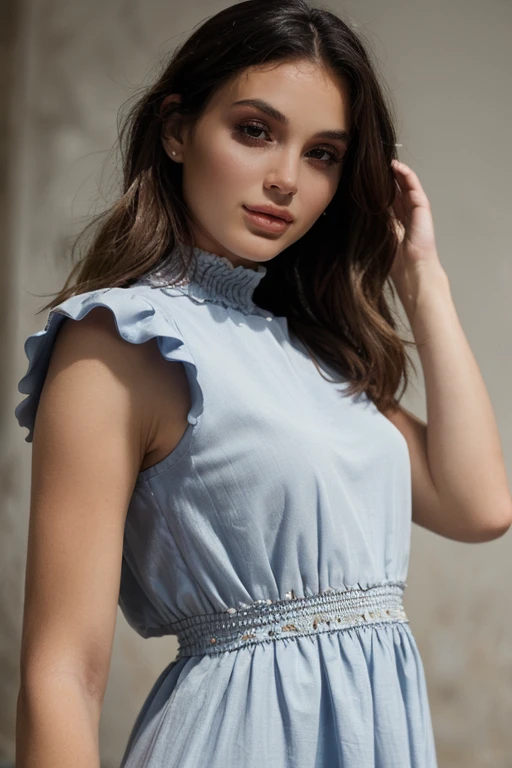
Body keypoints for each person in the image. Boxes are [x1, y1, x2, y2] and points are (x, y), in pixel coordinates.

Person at [14, 0, 512, 765]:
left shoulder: (313, 351)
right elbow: (62, 673)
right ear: (177, 130)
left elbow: (479, 505)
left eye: (323, 154)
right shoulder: (121, 340)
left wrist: (423, 278)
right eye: (255, 131)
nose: (286, 179)